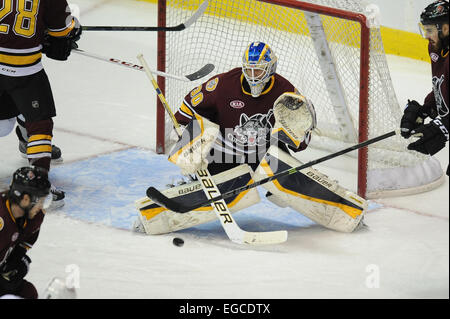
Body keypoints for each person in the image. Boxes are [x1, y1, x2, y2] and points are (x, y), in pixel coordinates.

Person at [173, 41, 315, 176]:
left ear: (271, 68)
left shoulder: (286, 92)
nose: (252, 77)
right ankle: (197, 177)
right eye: (248, 70)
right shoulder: (225, 83)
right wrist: (182, 130)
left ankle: (288, 185)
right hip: (223, 150)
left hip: (262, 152)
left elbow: (300, 141)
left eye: (258, 71)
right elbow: (190, 105)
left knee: (288, 182)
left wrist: (299, 134)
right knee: (199, 128)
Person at [0, 0, 82, 207]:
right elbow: (62, 31)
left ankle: (22, 129)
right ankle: (36, 184)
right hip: (25, 71)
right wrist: (69, 32)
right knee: (40, 124)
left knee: (3, 124)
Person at [401, 0, 449, 175]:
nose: (426, 36)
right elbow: (443, 84)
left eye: (430, 30)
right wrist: (425, 109)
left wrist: (443, 126)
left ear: (445, 29)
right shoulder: (437, 48)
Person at [0, 166, 52, 299]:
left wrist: (17, 258)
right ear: (25, 199)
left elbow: (25, 242)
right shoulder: (2, 219)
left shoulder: (33, 217)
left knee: (28, 293)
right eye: (40, 201)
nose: (41, 207)